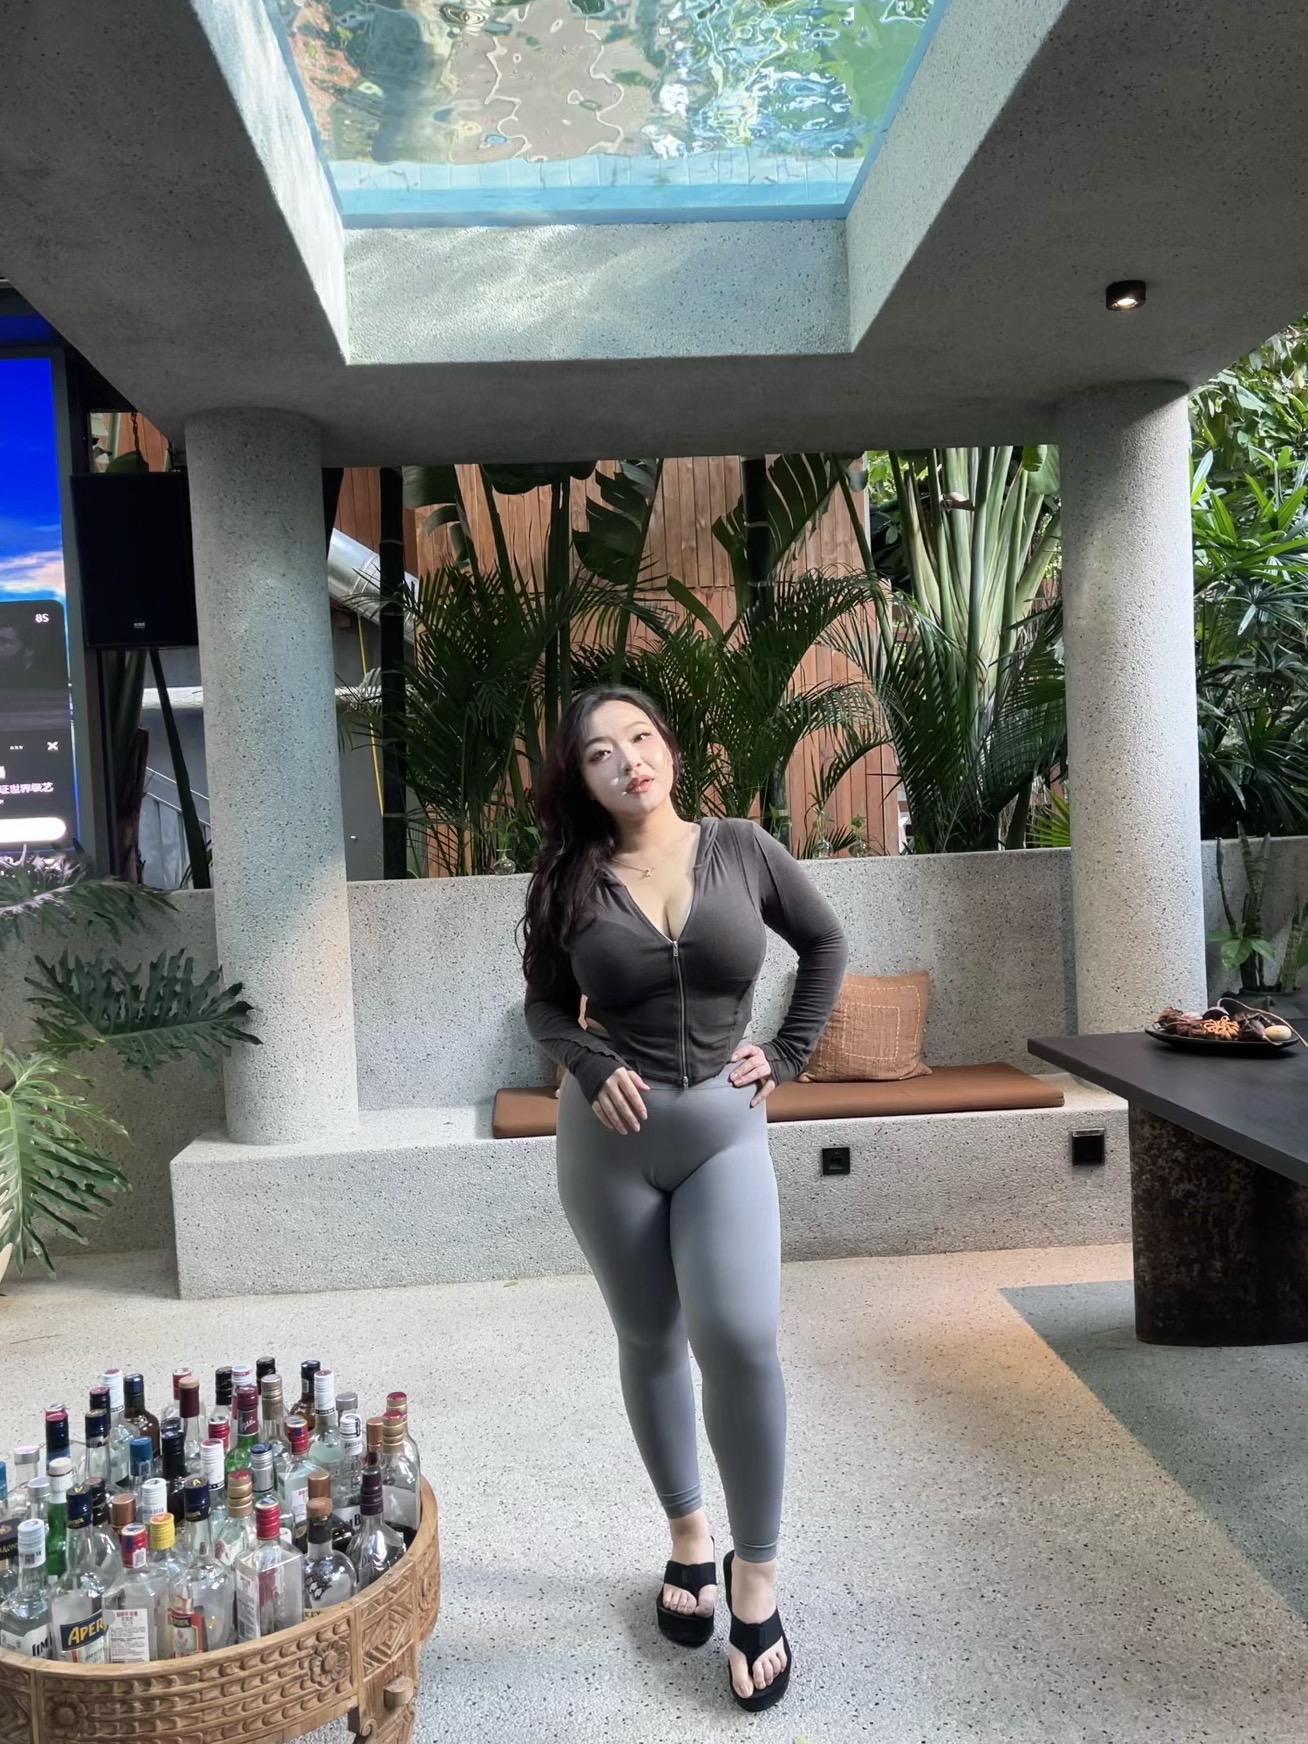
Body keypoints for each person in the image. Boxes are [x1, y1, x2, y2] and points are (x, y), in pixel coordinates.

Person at [518, 683, 849, 1712]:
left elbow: (826, 943)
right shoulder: (568, 878)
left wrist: (788, 1051)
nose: (629, 760)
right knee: (650, 1338)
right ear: (581, 780)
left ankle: (757, 1573)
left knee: (740, 1338)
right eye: (600, 752)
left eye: (641, 737)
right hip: (608, 1146)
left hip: (722, 1129)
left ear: (667, 747)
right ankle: (688, 1536)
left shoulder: (741, 847)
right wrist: (584, 1060)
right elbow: (542, 1005)